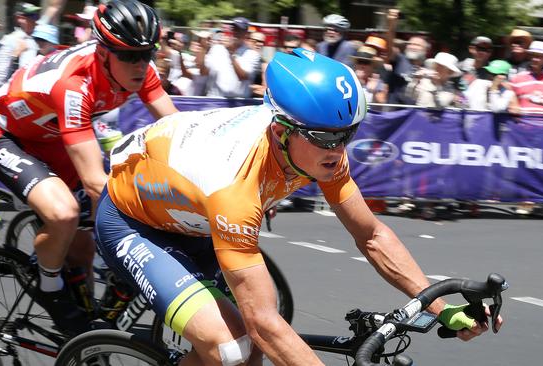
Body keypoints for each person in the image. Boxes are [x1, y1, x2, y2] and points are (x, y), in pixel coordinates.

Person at [95, 48, 503, 365]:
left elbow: (373, 235)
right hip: (135, 224)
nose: (339, 149)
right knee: (233, 346)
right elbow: (262, 323)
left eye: (348, 133)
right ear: (281, 130)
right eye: (326, 138)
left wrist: (442, 310)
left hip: (195, 220)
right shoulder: (234, 184)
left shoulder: (318, 149)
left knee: (259, 350)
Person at [0, 0, 178, 336]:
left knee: (82, 250)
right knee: (65, 213)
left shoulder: (142, 68)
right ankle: (48, 287)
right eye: (129, 56)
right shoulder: (75, 84)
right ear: (103, 54)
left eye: (147, 54)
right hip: (7, 136)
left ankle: (80, 336)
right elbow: (96, 183)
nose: (140, 64)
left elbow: (177, 129)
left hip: (54, 138)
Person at [196, 17, 261, 98]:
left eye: (239, 30)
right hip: (215, 99)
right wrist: (203, 49)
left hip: (239, 103)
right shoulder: (217, 49)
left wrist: (230, 54)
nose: (235, 32)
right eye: (234, 29)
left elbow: (243, 76)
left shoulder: (252, 54)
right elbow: (203, 72)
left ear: (246, 33)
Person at [2, 2, 42, 74]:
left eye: (36, 16)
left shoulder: (41, 38)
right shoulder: (9, 39)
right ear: (19, 18)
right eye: (31, 16)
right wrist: (16, 53)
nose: (35, 19)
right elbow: (0, 66)